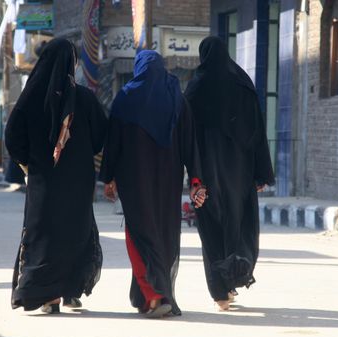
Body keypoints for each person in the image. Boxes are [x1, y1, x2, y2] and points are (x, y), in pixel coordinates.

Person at [100, 50, 206, 318]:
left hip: (133, 180)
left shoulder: (125, 97)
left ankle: (156, 295)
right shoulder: (177, 100)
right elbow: (190, 143)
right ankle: (153, 296)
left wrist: (108, 176)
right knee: (164, 232)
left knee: (138, 232)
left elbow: (113, 142)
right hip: (168, 181)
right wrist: (195, 178)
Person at [5, 38, 107, 314]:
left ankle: (48, 296)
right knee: (76, 231)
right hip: (78, 182)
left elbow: (12, 136)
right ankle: (71, 289)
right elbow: (101, 136)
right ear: (72, 64)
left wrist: (29, 163)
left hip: (43, 181)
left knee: (44, 233)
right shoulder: (84, 98)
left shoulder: (30, 97)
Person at [184, 36, 275, 311]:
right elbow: (258, 131)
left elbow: (188, 135)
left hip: (207, 173)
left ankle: (220, 293)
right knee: (239, 226)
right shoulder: (243, 84)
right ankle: (233, 278)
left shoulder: (196, 87)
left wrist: (191, 174)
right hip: (240, 173)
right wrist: (261, 174)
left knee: (212, 229)